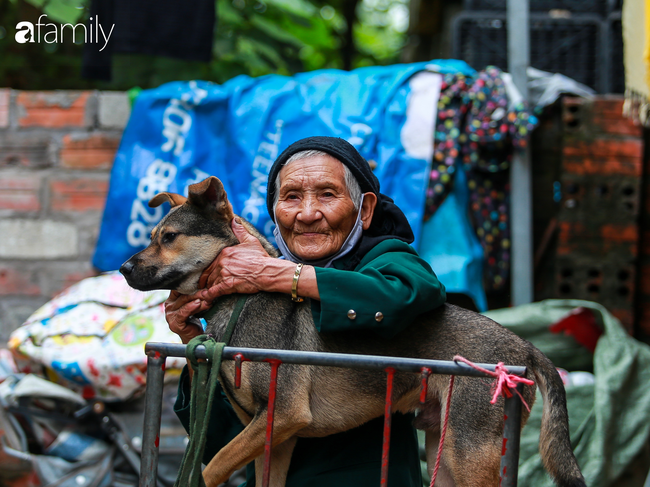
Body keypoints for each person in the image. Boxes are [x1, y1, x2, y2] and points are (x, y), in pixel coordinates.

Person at [166, 136, 446, 486]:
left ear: (366, 209)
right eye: (291, 197)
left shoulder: (387, 259)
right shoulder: (254, 300)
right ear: (274, 211)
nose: (308, 213)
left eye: (327, 194)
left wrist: (282, 274)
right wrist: (195, 341)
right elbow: (218, 440)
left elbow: (404, 296)